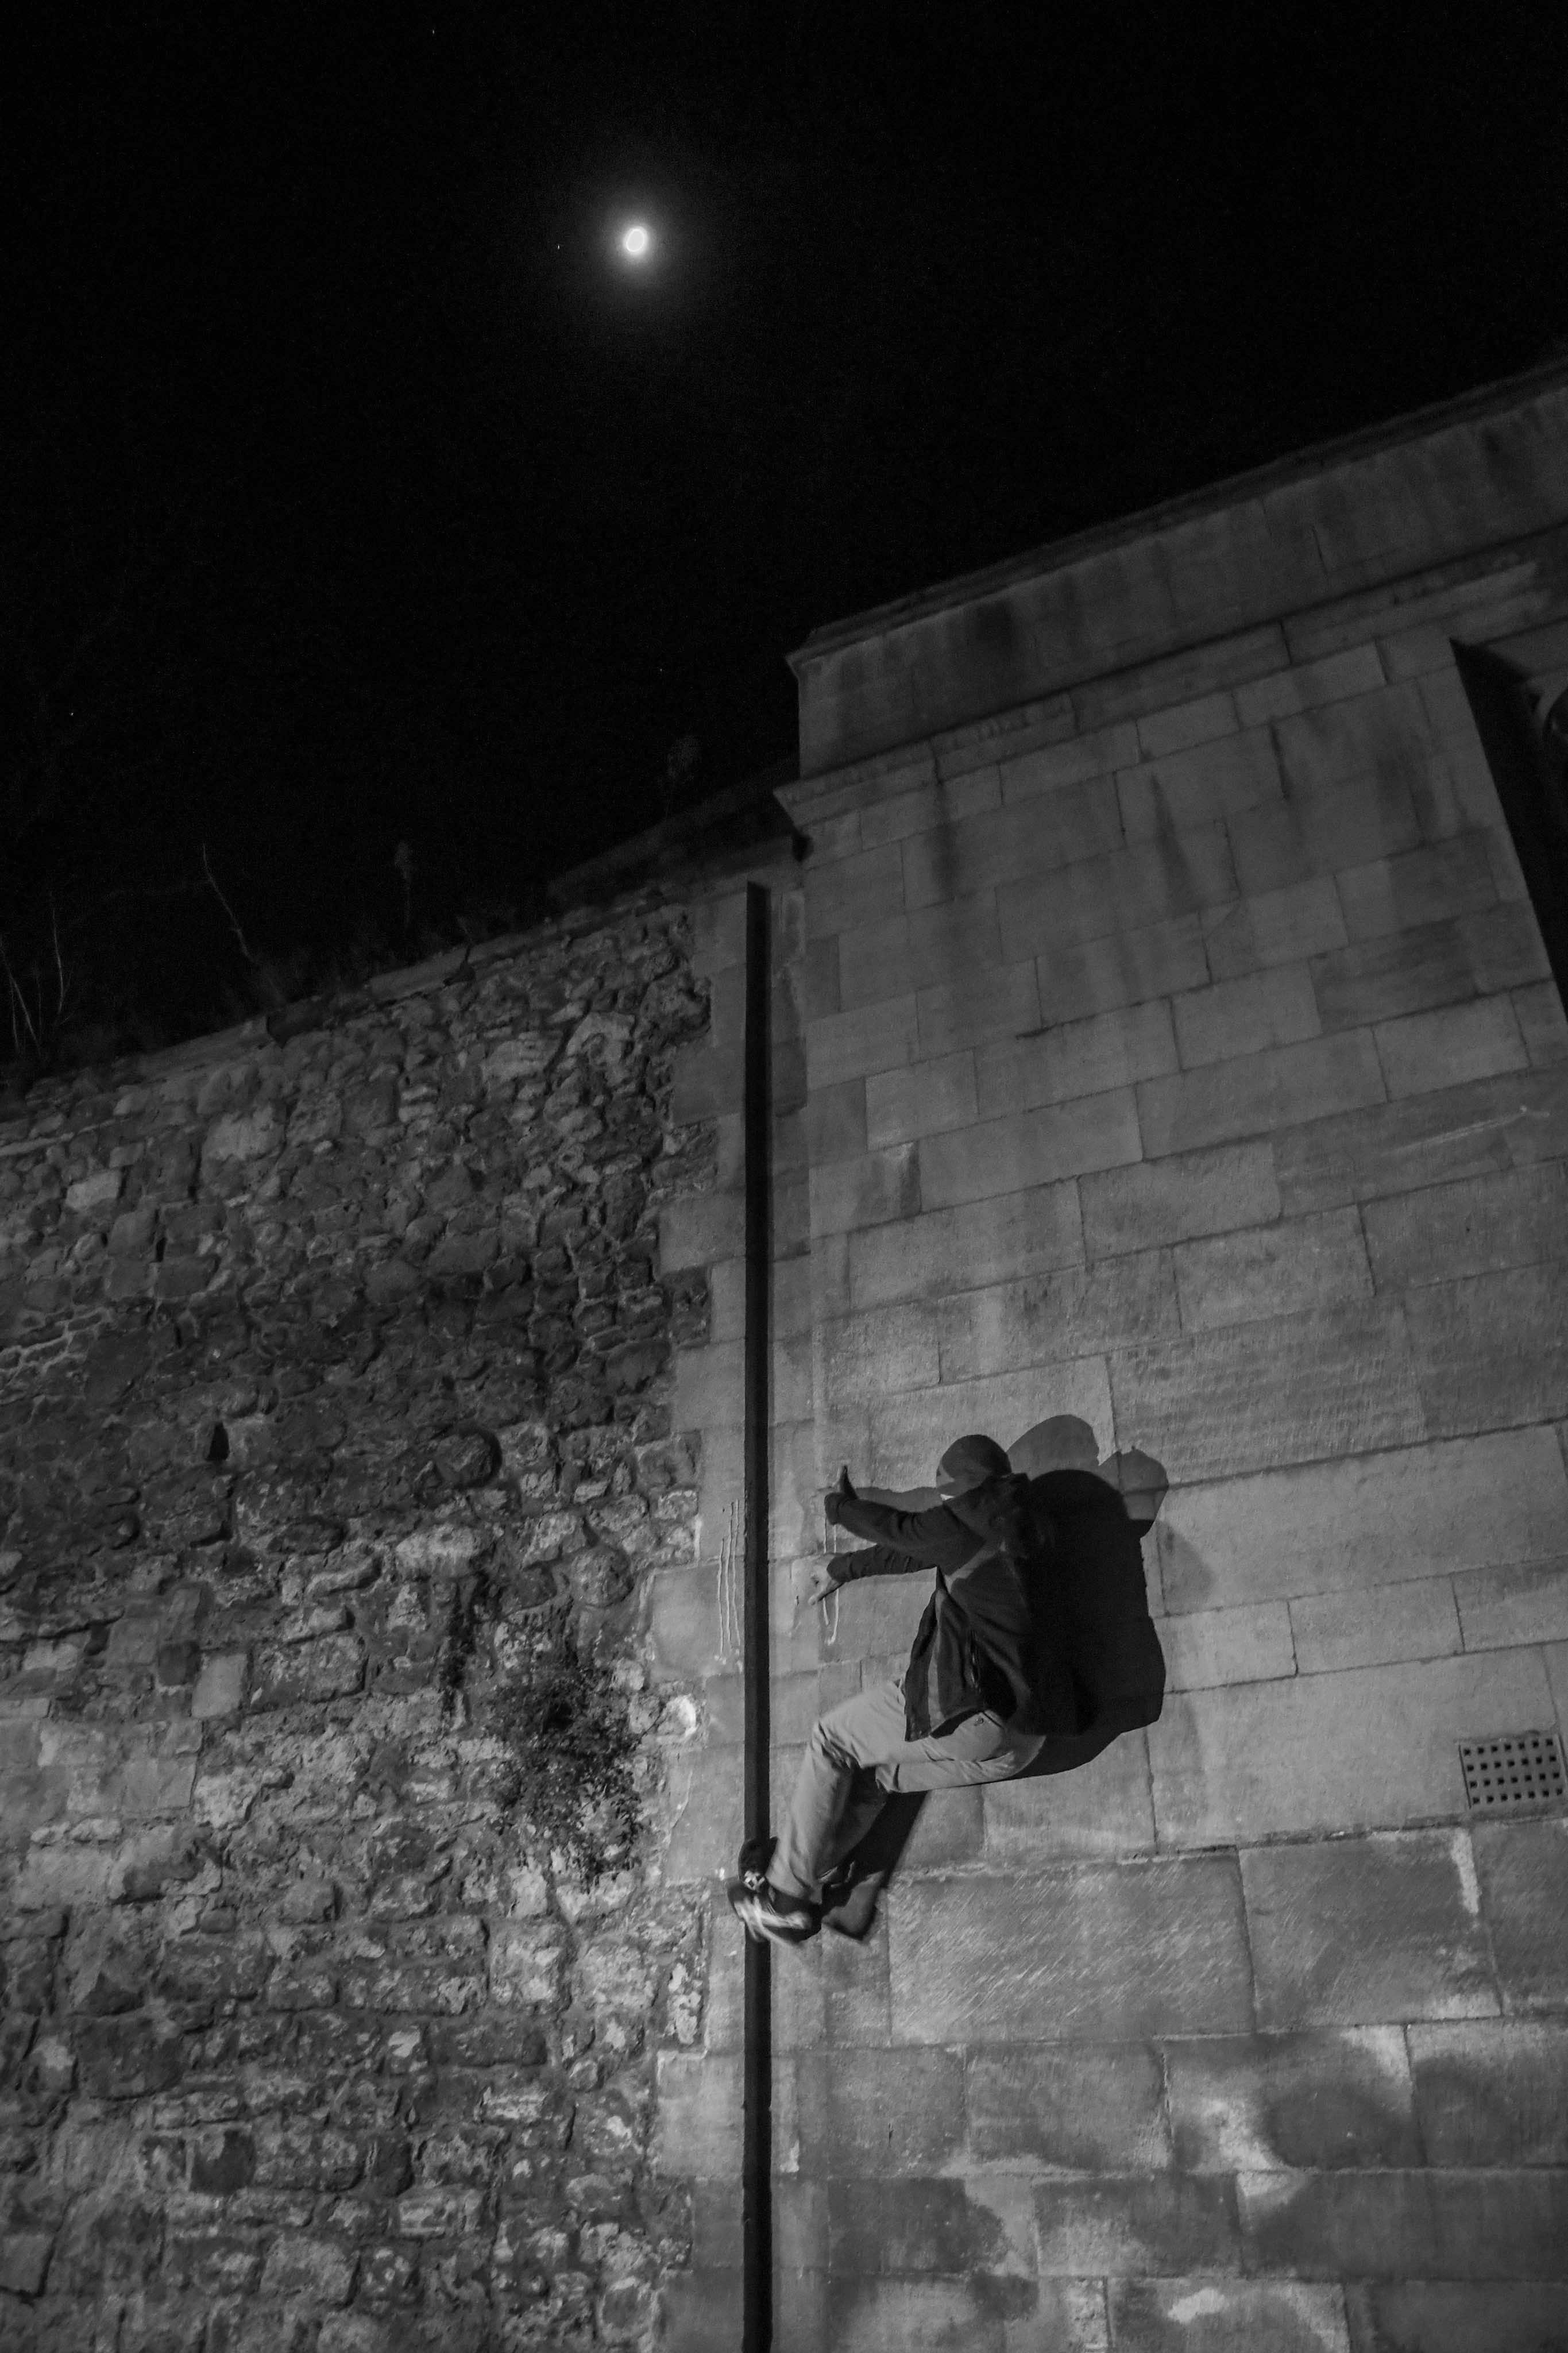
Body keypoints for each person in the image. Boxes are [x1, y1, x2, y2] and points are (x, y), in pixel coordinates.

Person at [727, 1431, 1085, 1948]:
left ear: (958, 1493)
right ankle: (805, 1870)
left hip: (974, 1717)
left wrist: (839, 1507)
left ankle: (784, 1900)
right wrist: (841, 1568)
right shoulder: (1030, 1527)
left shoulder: (965, 1522)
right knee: (875, 1778)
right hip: (1024, 1742)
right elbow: (913, 1552)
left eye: (944, 1498)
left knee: (832, 1739)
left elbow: (899, 1531)